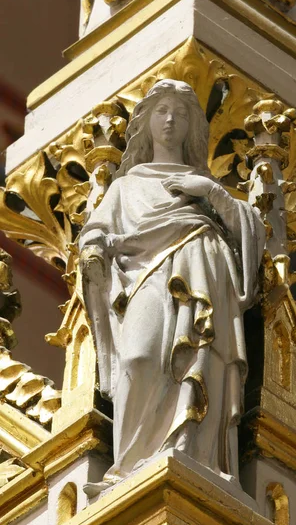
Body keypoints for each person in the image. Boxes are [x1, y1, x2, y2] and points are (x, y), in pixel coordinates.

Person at [79, 79, 265, 494]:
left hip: (202, 267)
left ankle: (191, 451)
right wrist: (93, 250)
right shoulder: (127, 186)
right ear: (146, 122)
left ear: (191, 127)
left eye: (180, 114)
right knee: (140, 357)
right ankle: (130, 465)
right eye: (162, 111)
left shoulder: (205, 187)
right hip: (145, 276)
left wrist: (212, 192)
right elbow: (95, 232)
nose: (170, 121)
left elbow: (250, 233)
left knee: (200, 359)